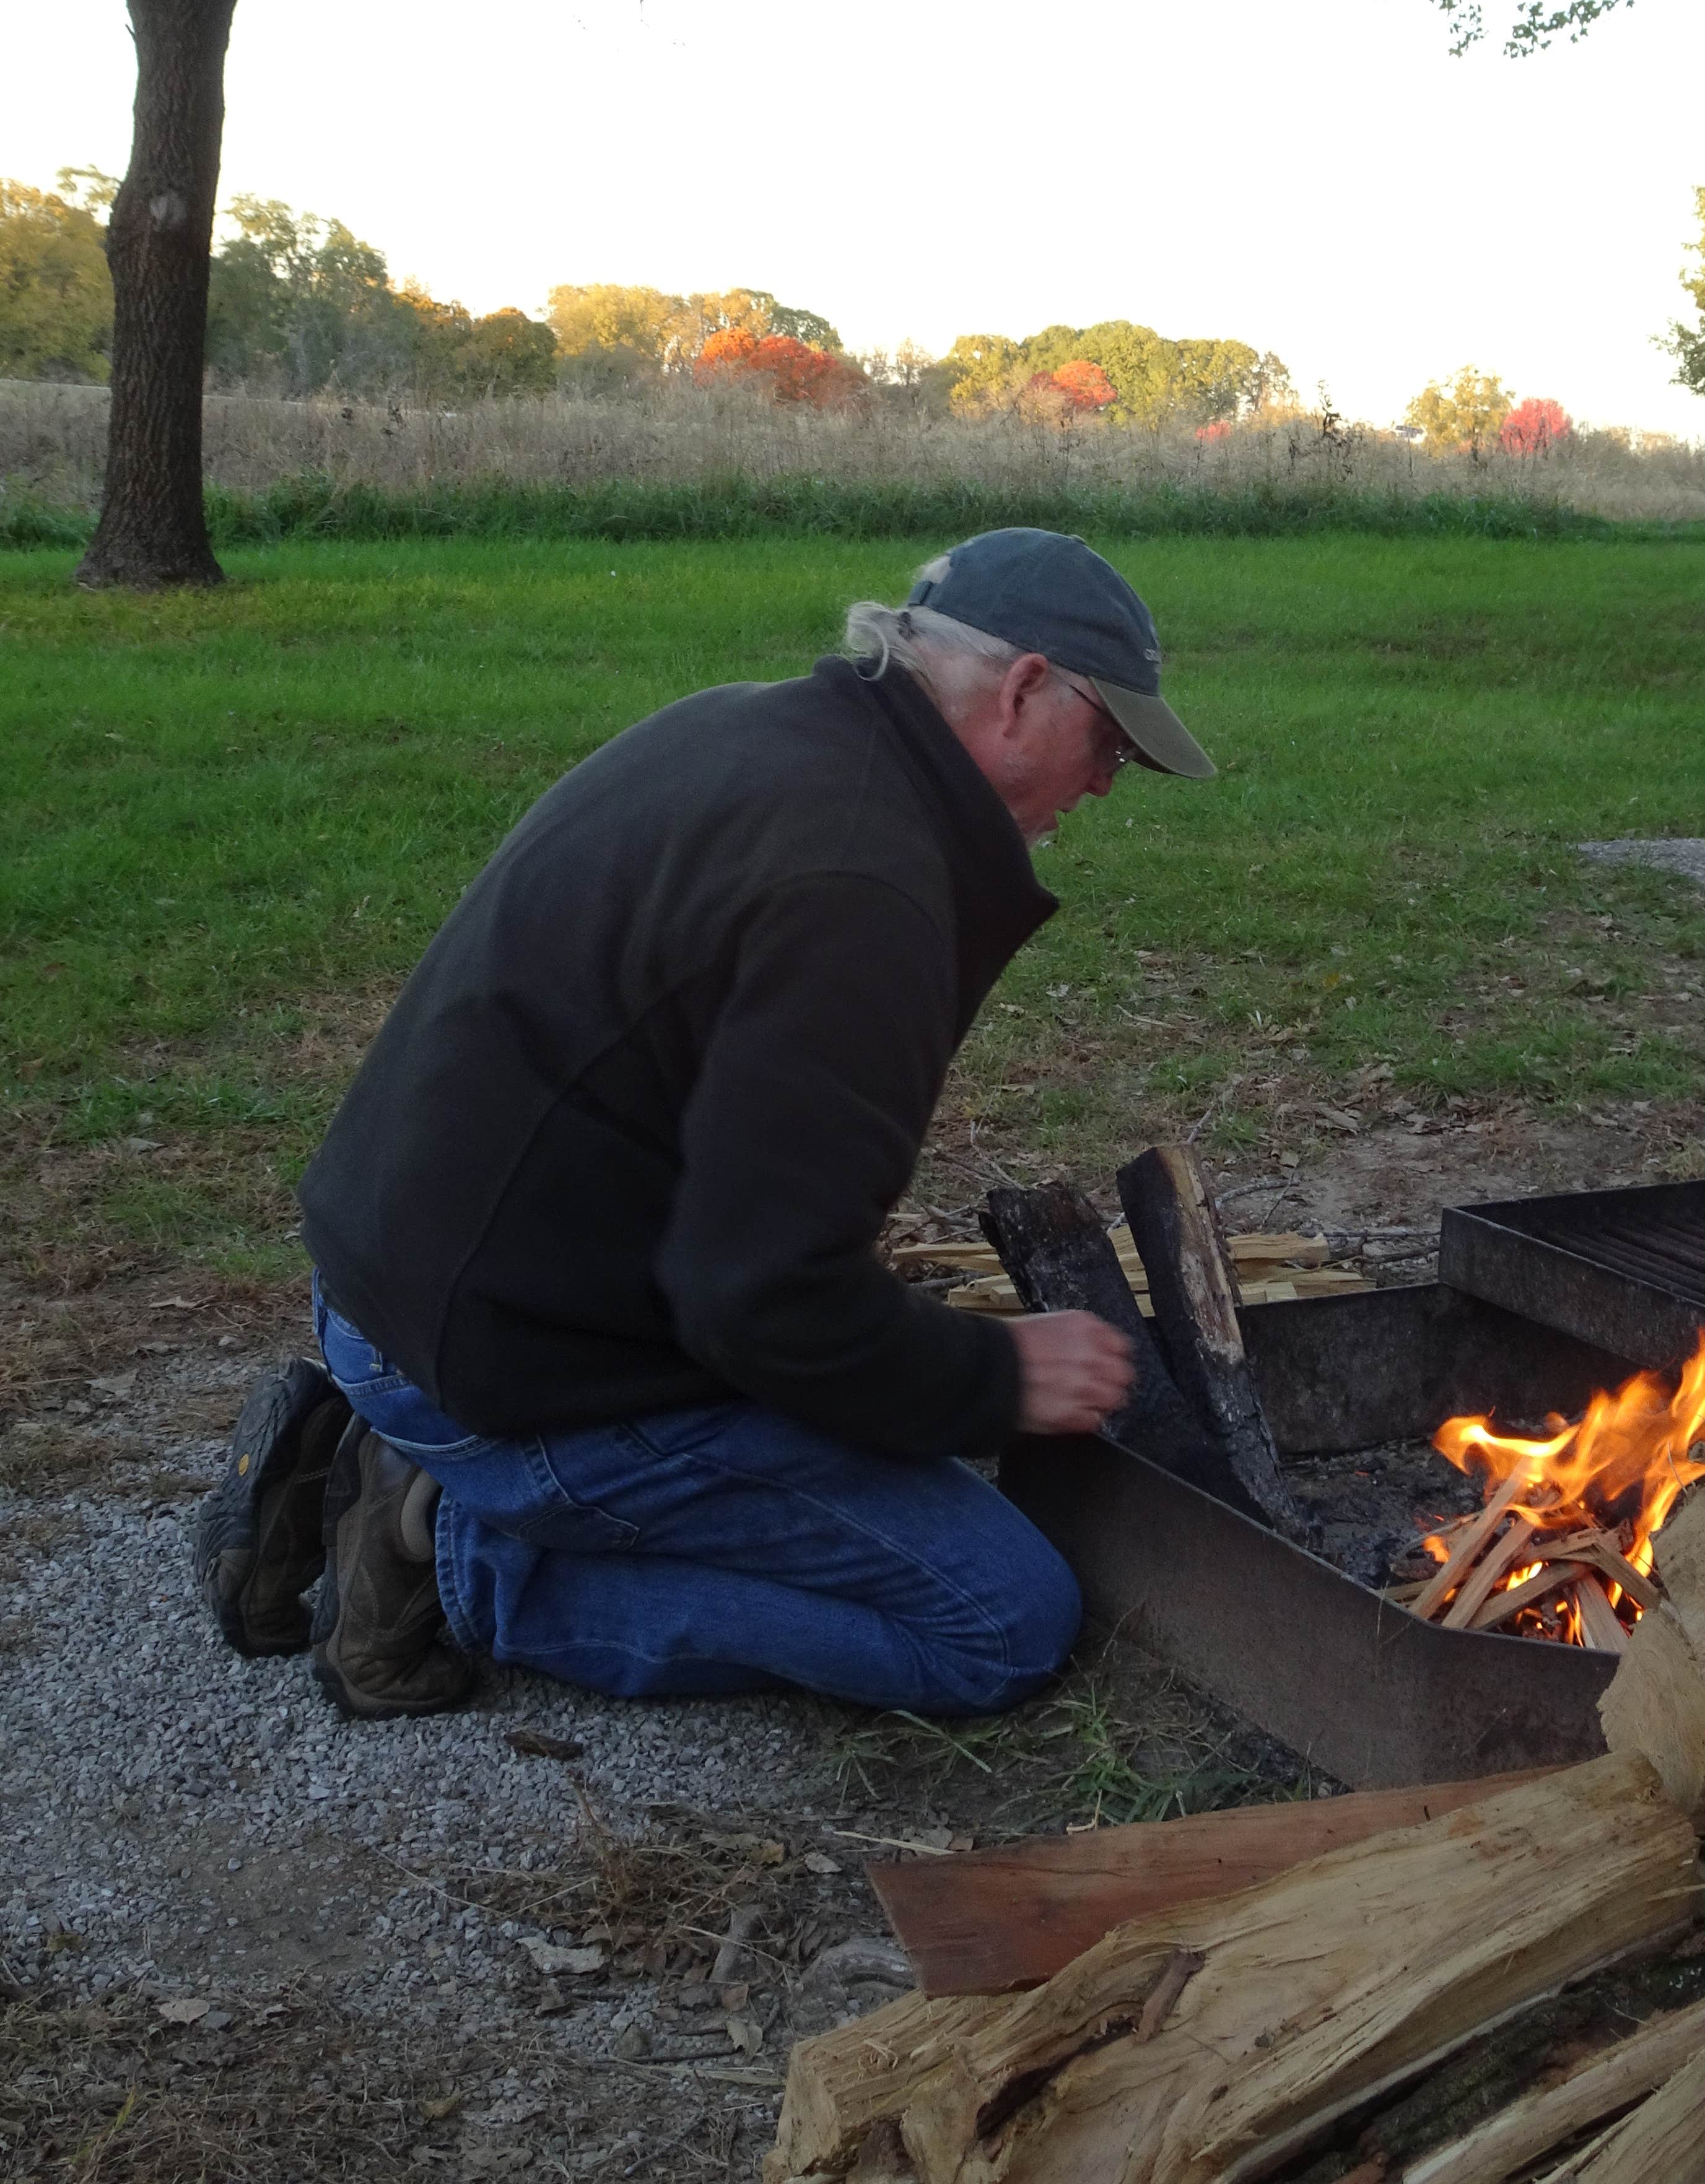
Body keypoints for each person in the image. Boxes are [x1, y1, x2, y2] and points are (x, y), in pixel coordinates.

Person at [192, 529, 1214, 1721]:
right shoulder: (861, 885)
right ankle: (465, 1561)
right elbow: (761, 1303)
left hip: (404, 1293)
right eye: (1111, 744)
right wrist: (991, 1375)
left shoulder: (758, 728)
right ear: (1024, 689)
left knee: (884, 1445)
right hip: (503, 1374)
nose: (1105, 784)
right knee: (1001, 1623)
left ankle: (404, 1456)